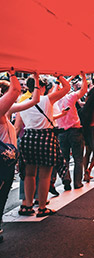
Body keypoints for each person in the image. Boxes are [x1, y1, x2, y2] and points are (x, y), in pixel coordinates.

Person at [18, 73, 71, 217]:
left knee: (29, 174)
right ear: (40, 86)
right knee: (44, 176)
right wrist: (59, 76)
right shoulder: (47, 99)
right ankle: (42, 207)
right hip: (45, 137)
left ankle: (28, 206)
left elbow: (18, 126)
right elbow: (67, 87)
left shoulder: (22, 102)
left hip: (28, 137)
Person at [0, 68, 38, 240]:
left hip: (6, 161)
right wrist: (12, 72)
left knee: (3, 193)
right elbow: (15, 90)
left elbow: (34, 100)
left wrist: (36, 82)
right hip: (2, 160)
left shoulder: (6, 111)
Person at [56, 72, 88, 189]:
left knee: (64, 159)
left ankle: (66, 179)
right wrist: (83, 77)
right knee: (78, 158)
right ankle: (77, 182)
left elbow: (61, 88)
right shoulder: (71, 96)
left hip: (62, 133)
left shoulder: (55, 99)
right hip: (75, 130)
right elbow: (83, 90)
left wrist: (65, 80)